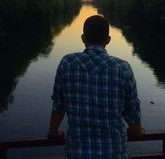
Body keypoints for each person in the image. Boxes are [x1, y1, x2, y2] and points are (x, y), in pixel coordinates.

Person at [48, 15, 144, 158]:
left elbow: (58, 106)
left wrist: (53, 131)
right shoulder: (122, 68)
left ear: (83, 38)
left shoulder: (67, 63)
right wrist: (137, 131)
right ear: (108, 40)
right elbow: (132, 113)